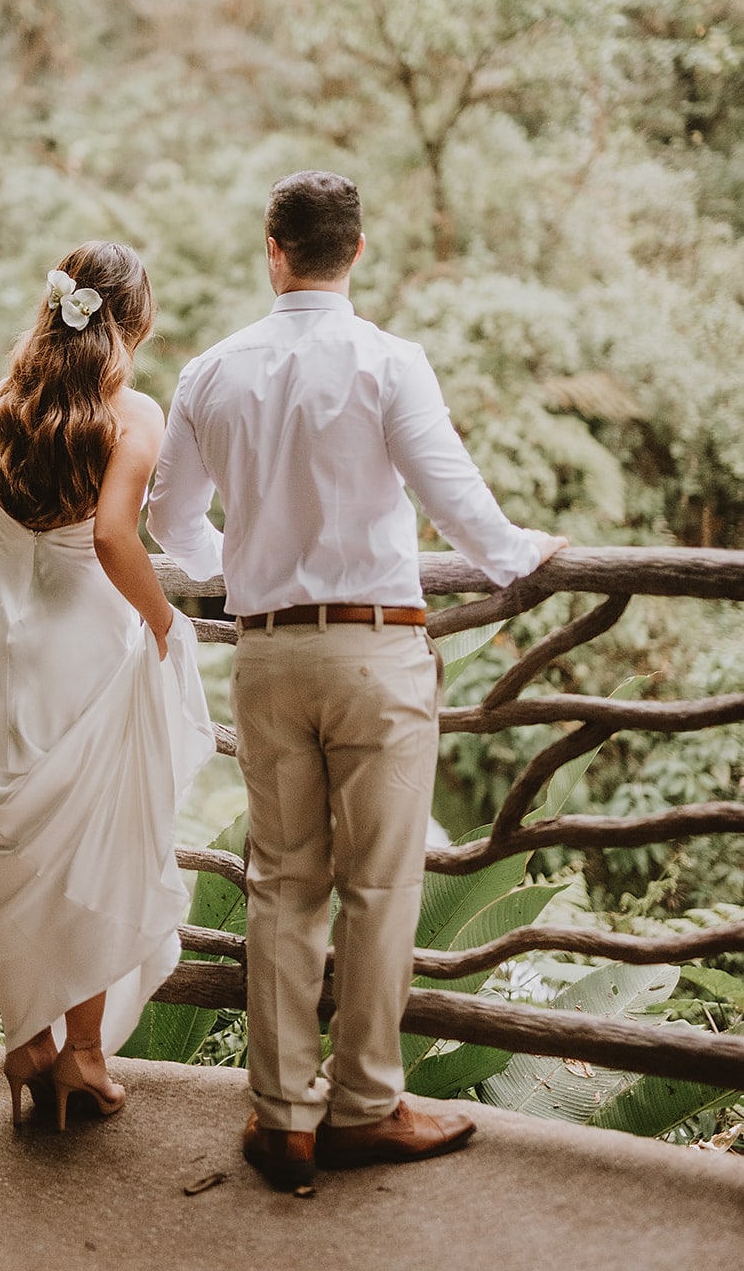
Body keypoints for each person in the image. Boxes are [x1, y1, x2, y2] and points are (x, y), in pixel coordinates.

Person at [148, 171, 568, 1190]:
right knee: (378, 886)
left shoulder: (210, 371)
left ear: (272, 248)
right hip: (376, 649)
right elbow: (451, 494)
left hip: (266, 651)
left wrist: (232, 566)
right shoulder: (391, 361)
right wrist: (522, 554)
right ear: (359, 251)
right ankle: (365, 1105)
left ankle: (284, 1119)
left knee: (282, 883)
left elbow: (168, 520)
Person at [0, 240, 214, 1131]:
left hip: (5, 637)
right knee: (95, 851)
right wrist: (166, 622)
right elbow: (113, 538)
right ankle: (85, 1055)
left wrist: (29, 565)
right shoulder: (132, 413)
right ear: (133, 321)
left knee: (15, 845)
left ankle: (27, 1039)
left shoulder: (4, 402)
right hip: (89, 645)